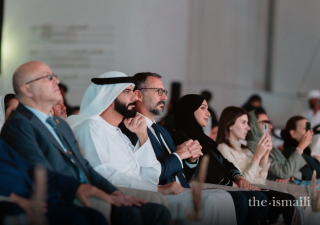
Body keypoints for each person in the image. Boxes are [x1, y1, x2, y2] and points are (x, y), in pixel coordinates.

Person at [0, 61, 170, 225]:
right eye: (48, 77)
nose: (57, 81)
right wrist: (80, 189)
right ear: (27, 89)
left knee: (157, 211)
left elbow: (86, 167)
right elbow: (40, 172)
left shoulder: (59, 124)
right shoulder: (19, 124)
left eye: (54, 76)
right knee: (126, 214)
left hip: (84, 188)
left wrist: (113, 192)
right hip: (63, 194)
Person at [68, 71, 237, 225]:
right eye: (127, 92)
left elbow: (150, 173)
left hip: (147, 189)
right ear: (108, 96)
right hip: (131, 193)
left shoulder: (118, 132)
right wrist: (157, 189)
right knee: (213, 202)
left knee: (223, 198)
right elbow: (103, 173)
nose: (134, 98)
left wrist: (143, 135)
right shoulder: (91, 127)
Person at [124, 73, 267, 225]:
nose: (164, 97)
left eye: (164, 92)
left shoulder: (163, 132)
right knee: (234, 199)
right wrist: (179, 155)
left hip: (183, 188)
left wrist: (191, 161)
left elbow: (184, 173)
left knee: (239, 198)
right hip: (163, 192)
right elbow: (150, 171)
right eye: (158, 91)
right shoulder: (131, 129)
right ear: (138, 95)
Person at [172, 94, 269, 225]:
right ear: (189, 111)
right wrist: (235, 185)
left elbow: (226, 163)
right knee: (256, 198)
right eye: (203, 108)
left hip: (228, 185)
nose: (208, 113)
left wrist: (240, 178)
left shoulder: (204, 139)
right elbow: (202, 171)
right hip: (214, 187)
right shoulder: (181, 137)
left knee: (268, 197)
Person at [0, 137, 109, 225]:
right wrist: (14, 199)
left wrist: (76, 187)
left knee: (95, 217)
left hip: (44, 200)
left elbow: (30, 168)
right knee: (75, 219)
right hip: (16, 206)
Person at [216, 106, 295, 224]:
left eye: (248, 123)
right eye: (244, 123)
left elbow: (260, 181)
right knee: (284, 200)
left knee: (289, 199)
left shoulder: (244, 149)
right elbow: (243, 182)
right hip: (243, 192)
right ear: (230, 125)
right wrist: (257, 157)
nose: (248, 127)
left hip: (257, 189)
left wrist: (265, 155)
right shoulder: (223, 148)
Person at [247, 109, 308, 182]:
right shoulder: (254, 147)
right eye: (265, 123)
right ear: (254, 125)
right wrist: (301, 147)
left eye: (269, 122)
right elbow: (285, 172)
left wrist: (289, 176)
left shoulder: (268, 145)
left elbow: (294, 172)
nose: (270, 126)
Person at [280, 116, 320, 182]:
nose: (311, 132)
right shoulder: (291, 152)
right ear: (293, 133)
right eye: (306, 128)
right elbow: (308, 176)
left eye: (310, 128)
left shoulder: (305, 152)